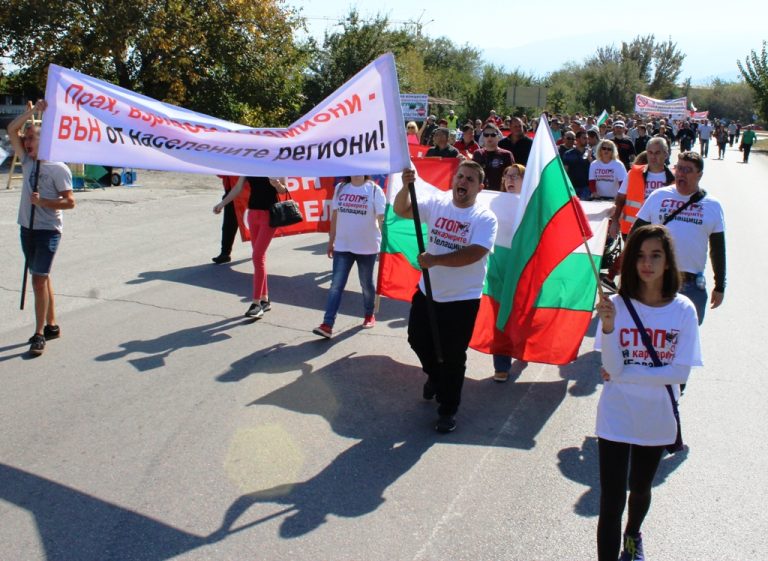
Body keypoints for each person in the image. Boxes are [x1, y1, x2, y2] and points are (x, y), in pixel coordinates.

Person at [594, 224, 702, 561]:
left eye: (656, 255)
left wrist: (627, 375)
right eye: (640, 255)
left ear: (668, 262)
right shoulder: (615, 305)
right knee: (611, 501)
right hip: (615, 415)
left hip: (656, 417)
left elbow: (679, 373)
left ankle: (632, 535)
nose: (647, 263)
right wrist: (609, 327)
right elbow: (612, 367)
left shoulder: (683, 310)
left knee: (640, 489)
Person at [395, 161, 498, 433]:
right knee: (417, 339)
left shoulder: (484, 218)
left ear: (480, 187)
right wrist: (405, 187)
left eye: (470, 179)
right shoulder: (437, 203)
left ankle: (447, 409)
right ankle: (434, 376)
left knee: (453, 356)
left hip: (462, 299)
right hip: (428, 291)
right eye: (460, 176)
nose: (463, 182)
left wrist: (436, 260)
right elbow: (401, 210)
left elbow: (475, 252)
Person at [8, 99, 76, 356]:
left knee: (38, 279)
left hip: (48, 230)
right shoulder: (27, 162)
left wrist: (43, 202)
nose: (25, 142)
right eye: (25, 139)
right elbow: (11, 130)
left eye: (31, 138)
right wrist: (33, 111)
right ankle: (52, 324)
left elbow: (70, 202)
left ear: (44, 140)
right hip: (27, 228)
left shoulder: (58, 168)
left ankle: (38, 334)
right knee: (42, 277)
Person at [633, 151, 726, 325]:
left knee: (686, 337)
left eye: (687, 170)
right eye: (679, 168)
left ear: (699, 175)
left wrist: (720, 285)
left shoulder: (712, 205)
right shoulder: (658, 196)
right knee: (651, 333)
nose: (681, 174)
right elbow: (635, 235)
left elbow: (718, 249)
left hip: (690, 285)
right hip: (656, 281)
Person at [313, 176, 385, 338]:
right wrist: (331, 240)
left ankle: (369, 314)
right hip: (343, 245)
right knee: (336, 286)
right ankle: (327, 324)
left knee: (366, 284)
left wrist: (384, 244)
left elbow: (381, 219)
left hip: (367, 247)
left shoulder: (375, 190)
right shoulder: (341, 188)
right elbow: (335, 215)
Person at [214, 176, 289, 318]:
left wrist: (277, 184)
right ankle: (265, 299)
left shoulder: (277, 166)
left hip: (269, 215)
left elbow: (283, 190)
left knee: (257, 257)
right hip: (253, 214)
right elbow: (237, 188)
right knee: (259, 258)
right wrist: (222, 203)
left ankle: (256, 303)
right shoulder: (251, 166)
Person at [492, 164, 525, 382]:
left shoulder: (532, 204)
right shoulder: (493, 201)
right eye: (507, 176)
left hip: (523, 266)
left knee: (522, 312)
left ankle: (522, 346)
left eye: (516, 176)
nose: (510, 179)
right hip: (498, 266)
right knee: (500, 313)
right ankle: (501, 363)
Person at [472, 123, 514, 191]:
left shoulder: (507, 155)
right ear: (483, 137)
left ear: (498, 136)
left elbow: (512, 177)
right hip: (481, 193)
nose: (489, 137)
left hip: (500, 193)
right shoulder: (477, 154)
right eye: (486, 135)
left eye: (493, 135)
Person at [212, 176, 240, 264]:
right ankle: (225, 254)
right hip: (231, 193)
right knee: (228, 226)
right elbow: (221, 174)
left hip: (248, 193)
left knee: (254, 226)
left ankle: (259, 252)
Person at [563, 130, 592, 201]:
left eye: (587, 138)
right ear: (577, 139)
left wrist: (589, 157)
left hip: (586, 187)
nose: (586, 140)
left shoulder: (591, 153)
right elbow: (565, 171)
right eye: (584, 138)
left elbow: (594, 168)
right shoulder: (568, 154)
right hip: (572, 187)